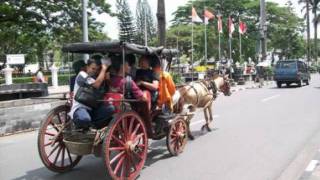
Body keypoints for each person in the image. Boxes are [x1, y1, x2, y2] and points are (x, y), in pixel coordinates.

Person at [69, 59, 114, 129]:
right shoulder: (82, 74)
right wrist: (104, 69)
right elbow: (96, 84)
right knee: (84, 119)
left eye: (97, 69)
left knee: (110, 109)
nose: (95, 71)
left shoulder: (95, 77)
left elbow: (107, 88)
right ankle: (88, 126)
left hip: (92, 109)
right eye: (93, 68)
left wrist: (106, 77)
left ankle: (93, 126)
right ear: (87, 67)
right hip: (80, 108)